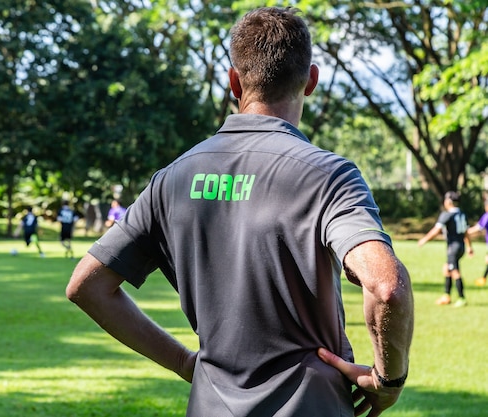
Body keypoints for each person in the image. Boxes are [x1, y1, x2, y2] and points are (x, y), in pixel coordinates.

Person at [66, 7, 413, 417]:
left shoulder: (173, 178)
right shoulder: (327, 175)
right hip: (313, 405)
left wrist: (183, 362)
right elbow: (386, 285)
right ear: (311, 81)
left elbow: (86, 286)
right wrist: (389, 379)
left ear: (234, 81)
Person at [418, 191, 473, 306]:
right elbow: (466, 232)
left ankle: (462, 298)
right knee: (446, 269)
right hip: (461, 246)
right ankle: (446, 296)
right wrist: (469, 247)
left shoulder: (447, 215)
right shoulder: (462, 214)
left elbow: (436, 230)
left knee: (454, 271)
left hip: (453, 247)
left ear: (448, 202)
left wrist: (424, 239)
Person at [467, 198, 488, 286]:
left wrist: (465, 232)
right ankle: (483, 278)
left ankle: (483, 278)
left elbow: (478, 228)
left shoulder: (487, 216)